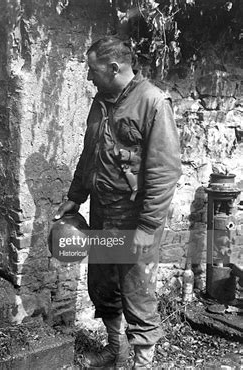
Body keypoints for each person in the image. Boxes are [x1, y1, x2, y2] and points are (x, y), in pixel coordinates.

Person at [54, 36, 181, 368]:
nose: (87, 77)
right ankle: (115, 351)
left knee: (137, 291)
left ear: (113, 68)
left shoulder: (153, 102)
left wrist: (147, 228)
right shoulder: (100, 102)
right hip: (102, 211)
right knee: (103, 284)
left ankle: (143, 362)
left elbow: (165, 172)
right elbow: (90, 153)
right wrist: (75, 197)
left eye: (92, 70)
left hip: (133, 218)